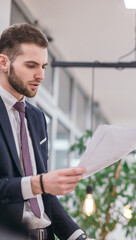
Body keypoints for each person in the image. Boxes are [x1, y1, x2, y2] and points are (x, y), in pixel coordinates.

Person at [0, 23, 89, 240]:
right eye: (31, 66)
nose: (40, 75)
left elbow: (43, 195)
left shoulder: (37, 117)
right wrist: (38, 183)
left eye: (44, 66)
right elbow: (39, 186)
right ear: (3, 62)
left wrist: (78, 237)